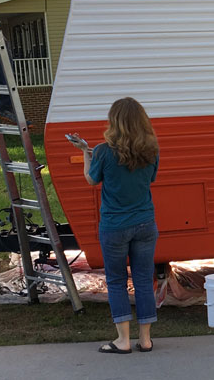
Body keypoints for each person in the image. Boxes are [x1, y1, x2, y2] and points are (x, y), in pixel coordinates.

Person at [69, 97, 160, 354]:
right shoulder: (151, 149)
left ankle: (122, 341)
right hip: (145, 223)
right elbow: (150, 178)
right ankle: (145, 339)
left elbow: (91, 179)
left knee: (117, 280)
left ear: (114, 121)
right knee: (143, 280)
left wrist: (85, 153)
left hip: (114, 226)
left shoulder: (103, 151)